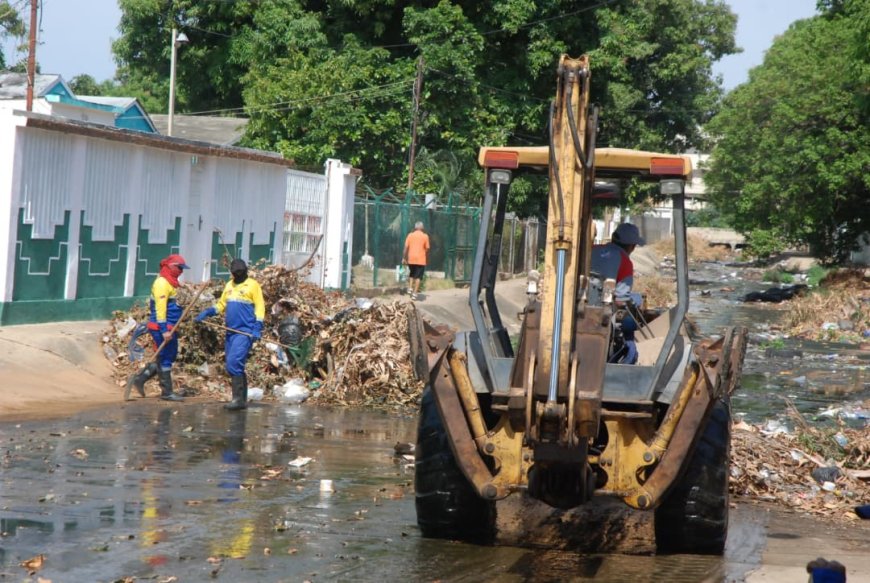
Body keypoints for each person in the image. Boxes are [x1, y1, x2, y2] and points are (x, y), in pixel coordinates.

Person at [195, 259, 265, 411]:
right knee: (233, 365)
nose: (236, 276)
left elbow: (260, 307)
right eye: (235, 274)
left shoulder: (253, 285)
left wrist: (257, 327)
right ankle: (242, 399)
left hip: (244, 332)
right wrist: (209, 312)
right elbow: (221, 305)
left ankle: (238, 400)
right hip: (231, 332)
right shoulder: (229, 285)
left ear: (245, 272)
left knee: (234, 363)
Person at [125, 253, 189, 401]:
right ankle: (167, 392)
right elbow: (161, 308)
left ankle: (140, 379)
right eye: (179, 268)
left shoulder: (172, 282)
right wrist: (164, 330)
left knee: (169, 355)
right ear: (171, 267)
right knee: (166, 357)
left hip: (171, 326)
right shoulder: (162, 283)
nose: (181, 271)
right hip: (161, 327)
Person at [591, 223, 645, 365]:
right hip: (601, 313)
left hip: (580, 303)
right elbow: (621, 301)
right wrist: (635, 302)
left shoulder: (593, 249)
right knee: (629, 334)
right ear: (631, 246)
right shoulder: (625, 262)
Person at [403, 221, 430, 300]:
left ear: (415, 227)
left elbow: (405, 248)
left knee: (412, 273)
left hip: (411, 258)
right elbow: (427, 249)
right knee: (418, 277)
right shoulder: (425, 236)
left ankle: (410, 288)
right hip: (421, 259)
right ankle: (415, 293)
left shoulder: (410, 235)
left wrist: (404, 257)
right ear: (422, 228)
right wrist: (427, 258)